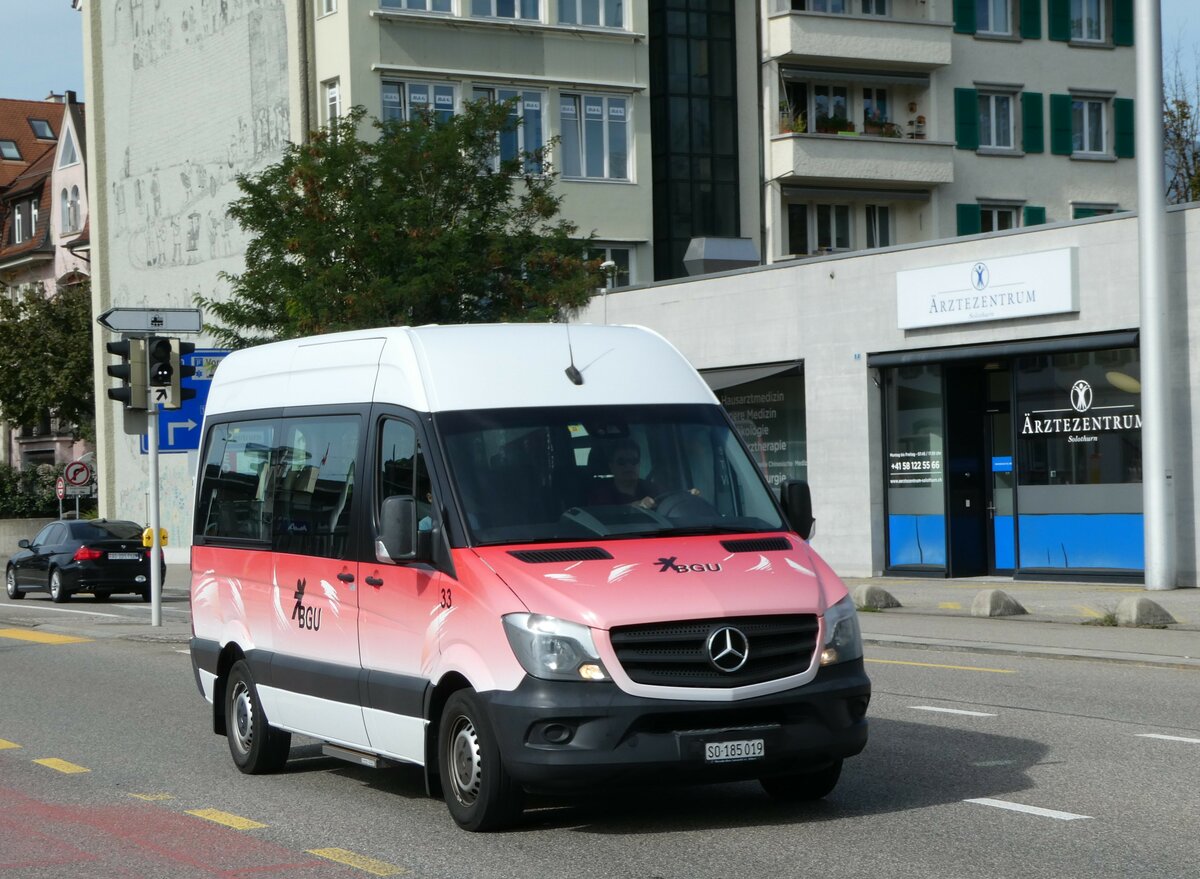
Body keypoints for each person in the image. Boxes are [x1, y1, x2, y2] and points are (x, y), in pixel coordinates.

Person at [588, 439, 659, 509]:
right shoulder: (600, 496)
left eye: (634, 461)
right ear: (611, 466)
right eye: (621, 462)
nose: (628, 466)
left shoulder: (652, 489)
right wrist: (632, 508)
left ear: (639, 464)